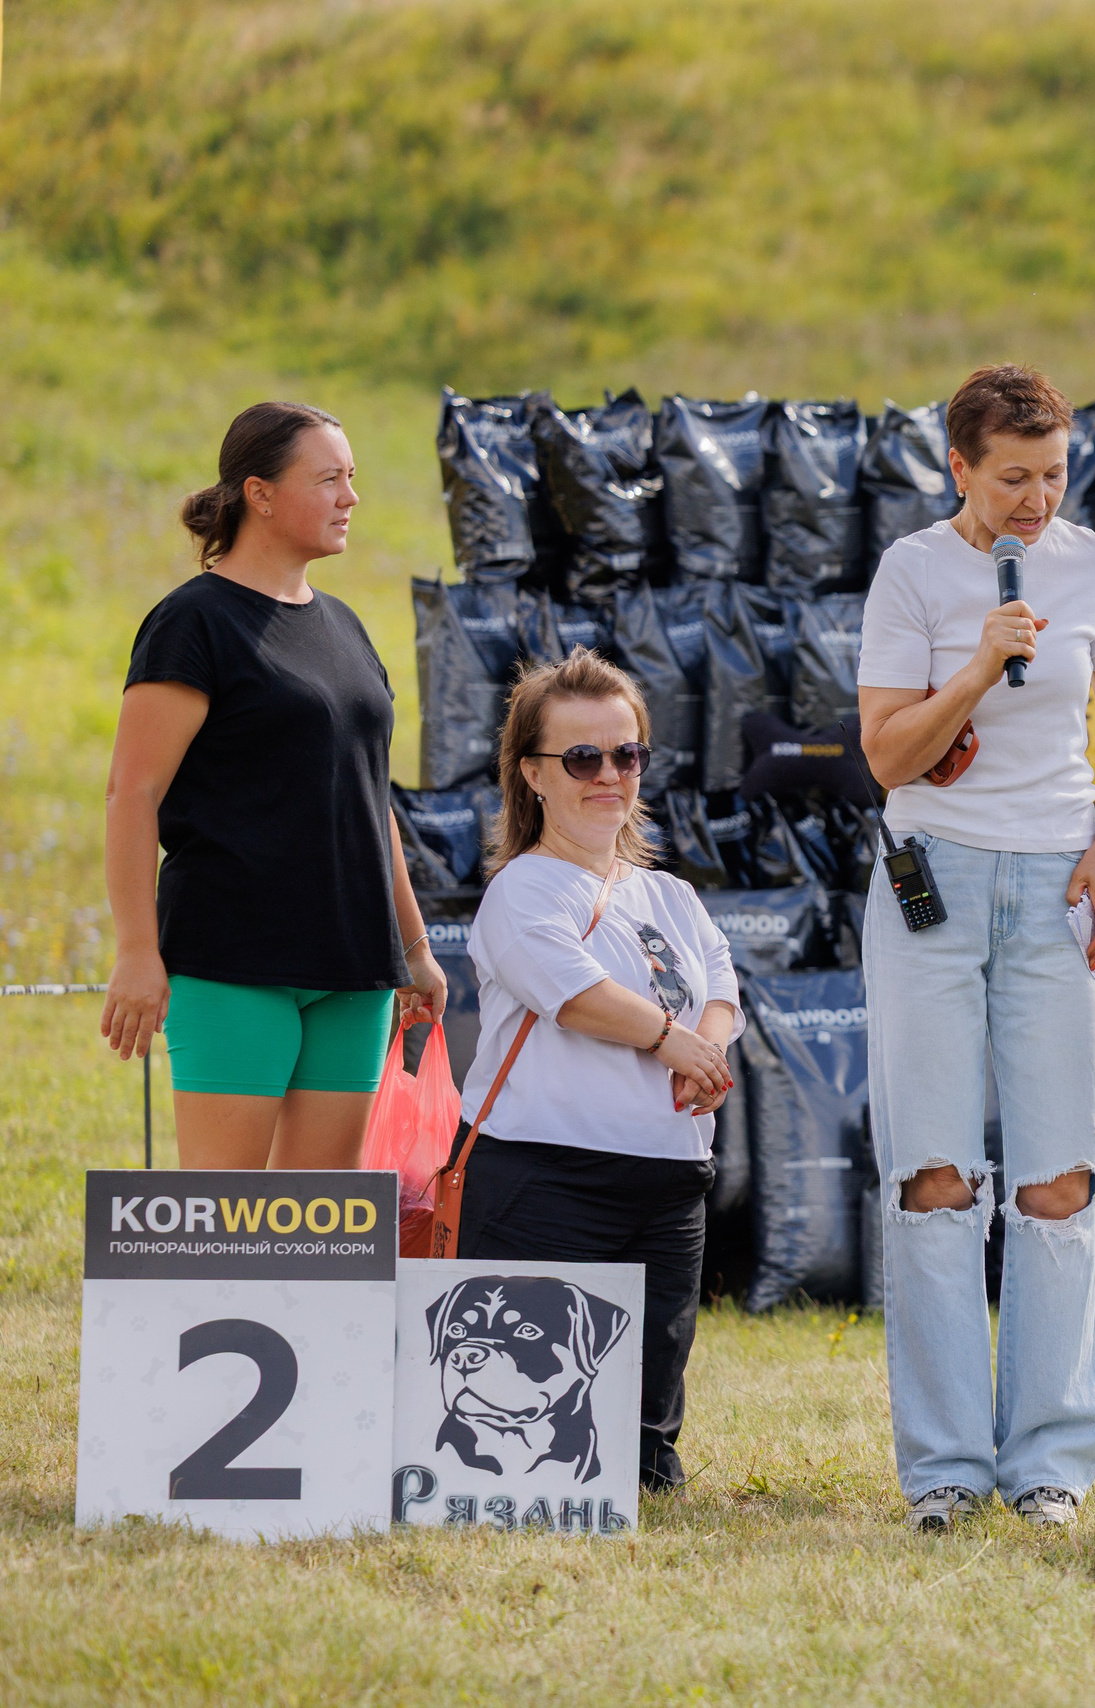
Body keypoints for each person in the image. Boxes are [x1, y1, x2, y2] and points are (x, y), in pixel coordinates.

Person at [855, 363, 1095, 1533]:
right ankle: (942, 1466)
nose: (1038, 500)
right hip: (932, 882)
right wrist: (978, 666)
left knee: (1058, 1177)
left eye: (1054, 475)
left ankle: (1050, 1464)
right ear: (960, 468)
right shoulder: (912, 573)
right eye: (1014, 477)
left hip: (1058, 884)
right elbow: (886, 754)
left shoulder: (1094, 565)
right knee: (933, 1177)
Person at [100, 401, 446, 1168]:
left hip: (356, 967)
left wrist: (413, 946)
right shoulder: (192, 623)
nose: (351, 497)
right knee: (226, 1232)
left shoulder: (347, 628)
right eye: (329, 479)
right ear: (259, 493)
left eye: (351, 478)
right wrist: (136, 951)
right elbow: (133, 795)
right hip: (233, 958)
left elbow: (369, 800)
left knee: (317, 1242)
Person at [454, 648, 738, 1493]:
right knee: (514, 1432)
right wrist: (672, 1042)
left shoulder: (670, 896)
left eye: (627, 754)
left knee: (646, 1436)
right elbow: (573, 994)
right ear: (533, 775)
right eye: (582, 757)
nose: (608, 774)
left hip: (668, 1179)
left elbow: (720, 987)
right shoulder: (523, 891)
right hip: (547, 1180)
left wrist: (708, 1047)